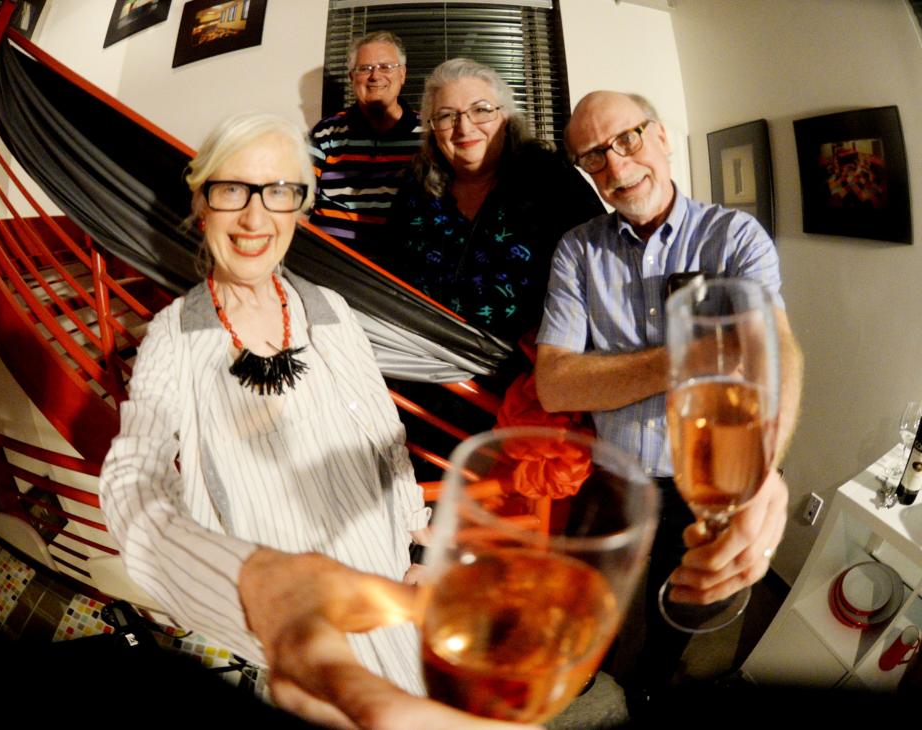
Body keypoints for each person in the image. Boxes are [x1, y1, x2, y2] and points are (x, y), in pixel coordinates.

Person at [99, 112, 532, 730]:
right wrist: (249, 583)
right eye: (232, 190)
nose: (255, 218)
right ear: (201, 203)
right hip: (290, 626)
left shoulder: (328, 310)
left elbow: (384, 434)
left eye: (279, 192)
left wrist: (417, 536)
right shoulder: (174, 337)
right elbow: (133, 484)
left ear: (300, 208)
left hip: (385, 593)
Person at [534, 91, 803, 708]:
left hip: (706, 474)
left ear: (659, 135)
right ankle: (571, 686)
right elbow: (555, 384)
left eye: (626, 139)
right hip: (613, 473)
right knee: (585, 602)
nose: (616, 166)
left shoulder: (734, 236)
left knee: (685, 598)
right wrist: (701, 355)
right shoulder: (578, 250)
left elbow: (775, 352)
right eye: (593, 157)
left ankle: (652, 685)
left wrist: (762, 467)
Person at [386, 58, 603, 347]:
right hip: (427, 361)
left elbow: (600, 266)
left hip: (528, 369)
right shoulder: (414, 188)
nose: (464, 128)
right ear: (433, 129)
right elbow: (390, 278)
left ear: (506, 118)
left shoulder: (550, 178)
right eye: (447, 116)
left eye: (481, 110)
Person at [308, 31, 422, 258]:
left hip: (401, 270)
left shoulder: (428, 135)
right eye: (365, 68)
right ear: (352, 77)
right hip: (328, 262)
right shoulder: (326, 132)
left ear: (403, 74)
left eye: (386, 67)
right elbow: (299, 199)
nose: (375, 76)